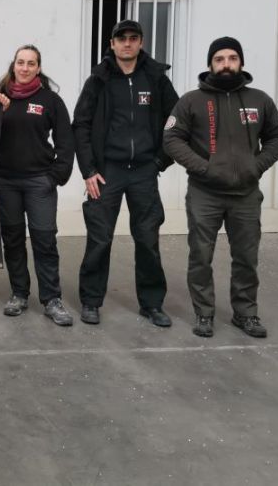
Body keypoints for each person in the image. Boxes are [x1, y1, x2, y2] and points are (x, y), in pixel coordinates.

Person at [163, 37, 278, 338]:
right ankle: (204, 314)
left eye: (232, 58)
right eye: (219, 59)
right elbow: (171, 139)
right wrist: (203, 168)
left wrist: (256, 166)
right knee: (201, 256)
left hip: (245, 194)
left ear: (241, 63)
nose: (226, 64)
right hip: (205, 194)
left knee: (246, 257)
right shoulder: (191, 101)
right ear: (210, 65)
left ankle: (245, 314)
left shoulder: (260, 100)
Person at [73, 19, 179, 327]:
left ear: (141, 43)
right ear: (112, 44)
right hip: (108, 172)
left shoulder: (156, 78)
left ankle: (152, 303)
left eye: (133, 38)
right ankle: (91, 301)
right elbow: (80, 125)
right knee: (100, 238)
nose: (128, 44)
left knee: (147, 239)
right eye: (122, 39)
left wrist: (161, 161)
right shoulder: (99, 79)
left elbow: (177, 121)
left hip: (144, 171)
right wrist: (89, 170)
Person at [0, 45, 76, 326]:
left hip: (39, 182)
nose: (25, 68)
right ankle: (19, 293)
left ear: (38, 67)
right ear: (13, 65)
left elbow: (66, 140)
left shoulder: (50, 100)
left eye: (31, 63)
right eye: (20, 62)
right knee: (13, 241)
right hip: (6, 182)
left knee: (44, 240)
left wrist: (56, 176)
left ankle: (52, 299)